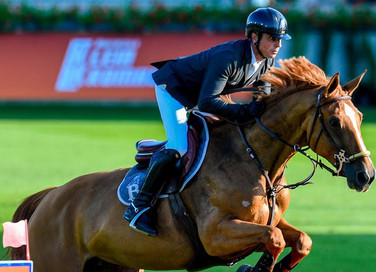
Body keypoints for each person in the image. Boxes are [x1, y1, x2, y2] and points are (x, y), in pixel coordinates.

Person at [123, 7, 291, 236]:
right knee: (179, 147)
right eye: (273, 39)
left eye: (280, 39)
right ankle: (139, 207)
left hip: (199, 95)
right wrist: (243, 112)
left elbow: (261, 104)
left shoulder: (266, 62)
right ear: (254, 37)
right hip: (174, 91)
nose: (278, 45)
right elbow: (207, 102)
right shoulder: (228, 58)